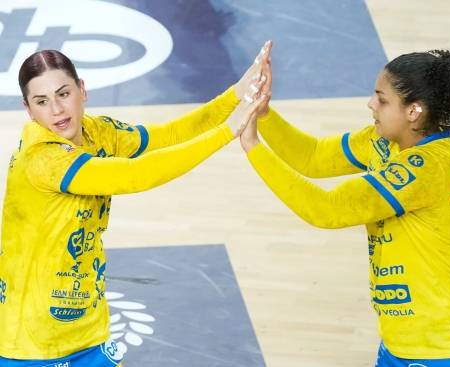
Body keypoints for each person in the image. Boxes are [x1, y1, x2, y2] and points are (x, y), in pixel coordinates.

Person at [0, 41, 272, 366]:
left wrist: (236, 95)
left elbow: (169, 135)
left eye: (63, 93)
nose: (57, 109)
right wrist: (228, 131)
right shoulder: (43, 159)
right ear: (28, 110)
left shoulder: (96, 132)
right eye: (42, 101)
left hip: (85, 325)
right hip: (30, 340)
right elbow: (137, 175)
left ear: (82, 89)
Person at [240, 49, 450, 366]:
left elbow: (326, 209)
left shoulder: (427, 169)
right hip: (404, 342)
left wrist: (253, 147)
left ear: (414, 111)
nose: (371, 105)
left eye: (382, 100)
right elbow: (314, 157)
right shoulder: (385, 141)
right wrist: (264, 115)